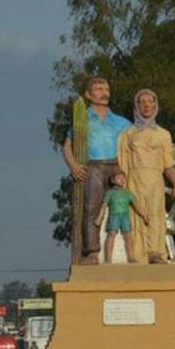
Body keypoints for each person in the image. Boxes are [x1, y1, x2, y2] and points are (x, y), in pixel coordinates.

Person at [63, 77, 132, 264]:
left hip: (116, 165)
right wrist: (73, 165)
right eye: (99, 88)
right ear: (88, 94)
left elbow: (140, 140)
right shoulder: (82, 119)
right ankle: (91, 251)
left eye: (107, 88)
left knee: (129, 200)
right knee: (91, 205)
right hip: (92, 164)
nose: (104, 92)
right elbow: (67, 145)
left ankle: (135, 249)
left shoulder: (121, 122)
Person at [117, 89, 175, 264]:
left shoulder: (164, 134)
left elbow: (168, 165)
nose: (147, 105)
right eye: (142, 102)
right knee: (135, 217)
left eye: (151, 102)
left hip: (155, 180)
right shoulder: (127, 134)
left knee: (156, 216)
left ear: (156, 106)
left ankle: (155, 253)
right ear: (136, 106)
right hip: (133, 180)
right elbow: (121, 164)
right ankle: (134, 256)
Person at [95, 171, 149, 263]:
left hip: (125, 216)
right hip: (114, 215)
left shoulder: (127, 193)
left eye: (123, 178)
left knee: (128, 236)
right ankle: (108, 258)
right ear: (113, 180)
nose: (122, 180)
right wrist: (99, 218)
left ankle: (131, 257)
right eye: (119, 178)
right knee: (111, 235)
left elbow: (136, 205)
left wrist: (144, 215)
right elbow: (104, 206)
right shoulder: (110, 193)